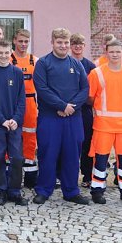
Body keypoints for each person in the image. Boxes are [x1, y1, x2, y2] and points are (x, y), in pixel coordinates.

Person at [32, 28, 90, 205]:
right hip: (50, 118)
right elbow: (41, 89)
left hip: (73, 117)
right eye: (59, 42)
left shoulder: (76, 64)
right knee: (48, 154)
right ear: (52, 42)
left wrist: (70, 107)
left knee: (72, 154)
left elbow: (84, 89)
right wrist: (61, 106)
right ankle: (44, 190)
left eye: (66, 43)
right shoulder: (43, 63)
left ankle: (71, 191)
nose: (63, 46)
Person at [88, 39, 122, 205]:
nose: (115, 55)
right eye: (112, 52)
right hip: (103, 125)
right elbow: (90, 98)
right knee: (100, 159)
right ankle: (97, 191)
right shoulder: (96, 73)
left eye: (118, 51)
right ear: (106, 53)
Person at [0, 39, 28, 206]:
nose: (3, 56)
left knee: (16, 157)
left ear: (11, 53)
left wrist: (15, 119)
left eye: (6, 53)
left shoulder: (16, 72)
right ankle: (1, 190)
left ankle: (14, 191)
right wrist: (2, 120)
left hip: (14, 124)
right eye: (0, 53)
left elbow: (21, 99)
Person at [11, 29, 39, 188]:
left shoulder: (35, 61)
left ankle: (30, 178)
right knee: (12, 138)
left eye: (26, 41)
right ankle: (11, 176)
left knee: (30, 139)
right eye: (20, 41)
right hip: (13, 103)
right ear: (14, 41)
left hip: (30, 104)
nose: (23, 44)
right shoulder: (7, 59)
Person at [70, 33, 97, 187]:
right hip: (68, 109)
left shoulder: (90, 66)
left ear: (84, 46)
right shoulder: (66, 62)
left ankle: (87, 175)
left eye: (80, 44)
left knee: (87, 142)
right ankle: (64, 174)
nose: (77, 47)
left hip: (85, 109)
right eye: (74, 44)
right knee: (69, 143)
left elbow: (92, 91)